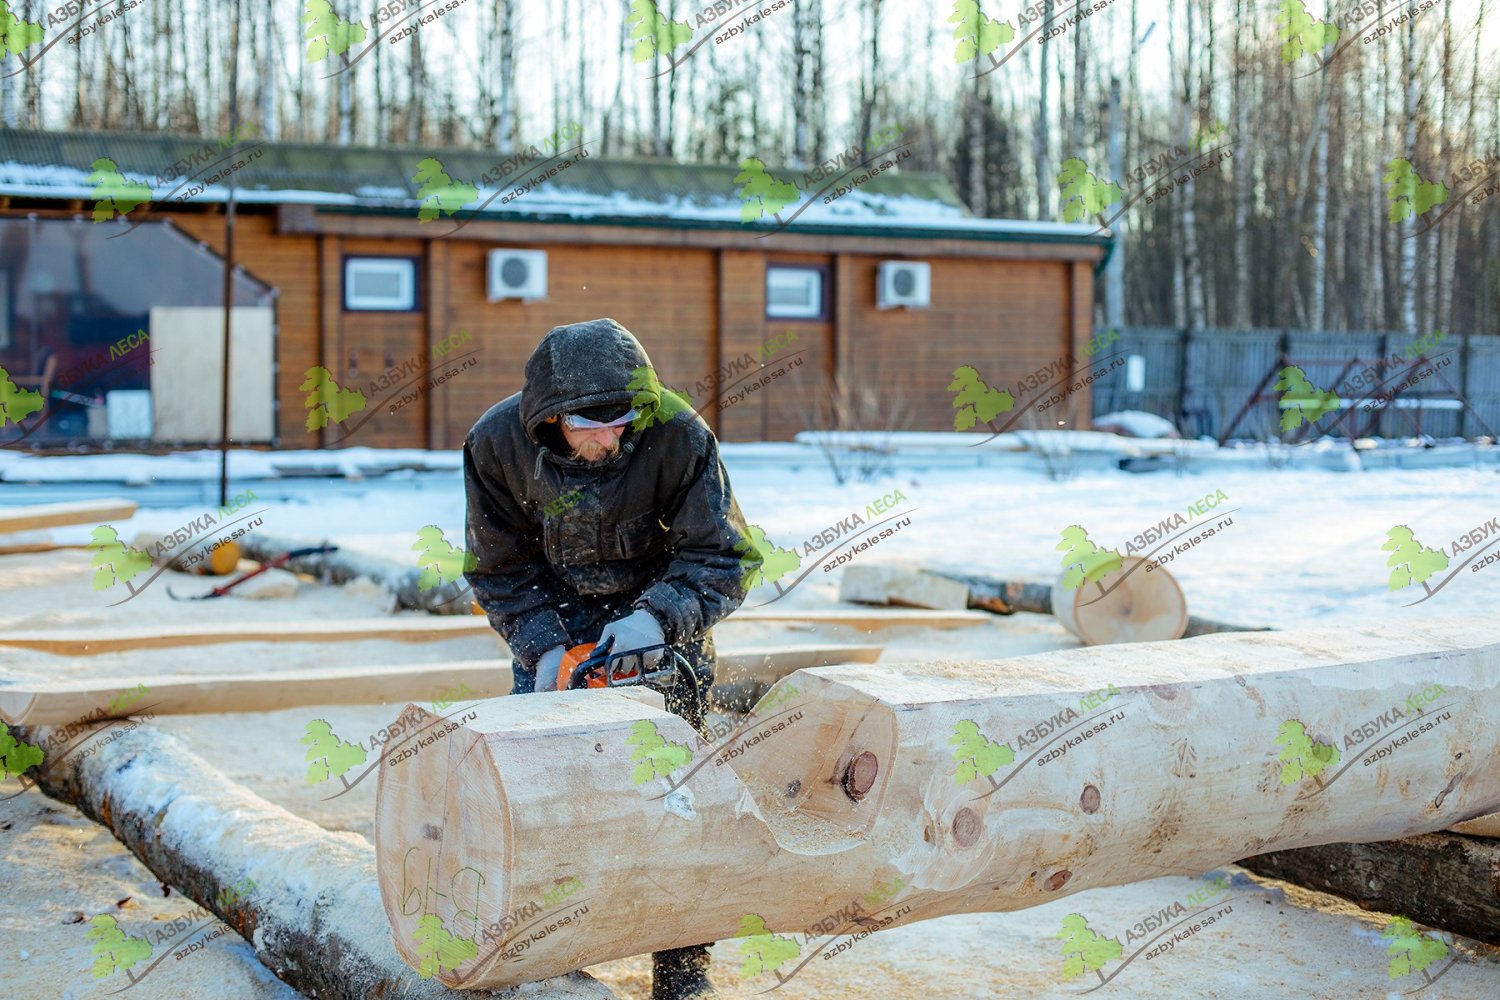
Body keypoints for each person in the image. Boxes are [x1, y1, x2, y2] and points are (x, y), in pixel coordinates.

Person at [463, 317, 759, 1000]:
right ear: (550, 419)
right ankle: (548, 952)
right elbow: (498, 567)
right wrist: (541, 648)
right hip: (556, 621)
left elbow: (724, 556)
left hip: (661, 619)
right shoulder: (496, 445)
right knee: (540, 795)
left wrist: (657, 620)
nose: (610, 439)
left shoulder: (679, 436)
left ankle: (682, 968)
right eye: (591, 427)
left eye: (621, 424)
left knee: (675, 799)